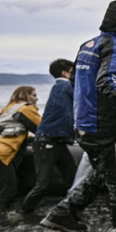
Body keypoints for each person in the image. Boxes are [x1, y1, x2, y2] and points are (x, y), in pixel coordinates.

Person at [40, 0, 116, 232]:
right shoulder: (115, 46)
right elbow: (108, 80)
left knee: (103, 175)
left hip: (83, 125)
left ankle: (61, 213)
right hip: (104, 127)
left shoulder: (88, 45)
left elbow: (78, 83)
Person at [16, 59, 77, 214]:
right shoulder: (63, 85)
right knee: (43, 185)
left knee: (72, 178)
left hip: (58, 143)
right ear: (65, 73)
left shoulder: (60, 88)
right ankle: (22, 212)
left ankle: (69, 211)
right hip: (47, 143)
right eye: (73, 73)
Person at [0, 86, 41, 215]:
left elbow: (11, 131)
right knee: (7, 194)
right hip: (1, 155)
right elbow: (41, 128)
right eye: (34, 95)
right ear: (26, 96)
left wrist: (28, 139)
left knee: (6, 190)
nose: (37, 99)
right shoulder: (26, 108)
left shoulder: (8, 109)